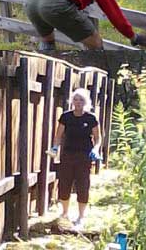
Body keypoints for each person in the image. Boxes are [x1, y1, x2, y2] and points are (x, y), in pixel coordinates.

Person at [49, 88, 101, 228]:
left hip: (84, 157)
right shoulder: (66, 117)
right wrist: (55, 148)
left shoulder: (91, 118)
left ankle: (81, 216)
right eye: (76, 100)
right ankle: (65, 213)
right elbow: (58, 136)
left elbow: (98, 138)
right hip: (67, 155)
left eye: (81, 100)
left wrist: (95, 150)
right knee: (64, 183)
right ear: (72, 101)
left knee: (83, 185)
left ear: (86, 102)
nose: (78, 103)